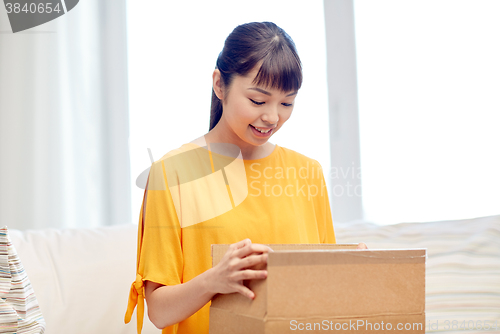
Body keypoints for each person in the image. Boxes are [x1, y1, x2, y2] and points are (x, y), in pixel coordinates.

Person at [124, 21, 365, 334]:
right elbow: (158, 311)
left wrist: (353, 274)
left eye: (287, 103)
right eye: (258, 100)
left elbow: (319, 300)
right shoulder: (172, 174)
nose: (273, 117)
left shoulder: (308, 173)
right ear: (219, 85)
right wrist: (214, 280)